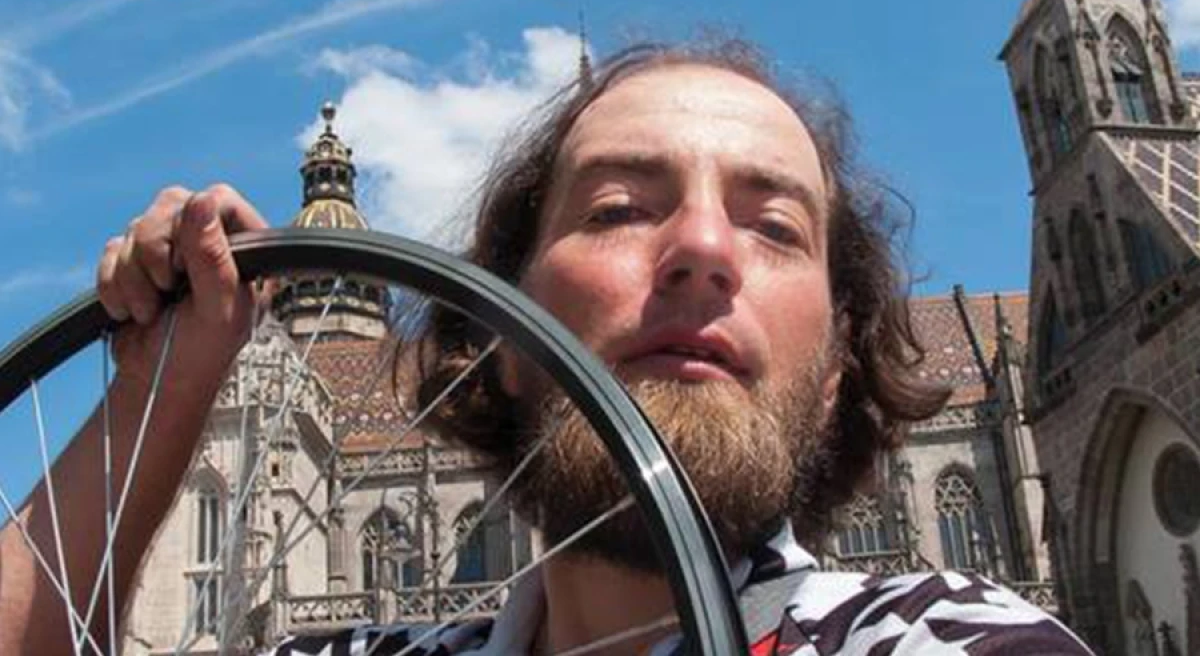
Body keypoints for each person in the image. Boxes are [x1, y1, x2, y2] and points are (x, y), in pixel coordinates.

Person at [0, 38, 1093, 655]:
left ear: (835, 380)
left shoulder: (945, 639)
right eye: (617, 208)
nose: (703, 249)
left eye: (773, 226)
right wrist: (163, 389)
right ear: (499, 339)